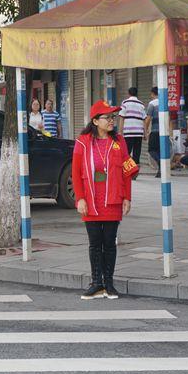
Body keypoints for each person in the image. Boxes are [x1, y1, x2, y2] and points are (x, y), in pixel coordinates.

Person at [72, 100, 138, 300]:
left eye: (113, 117)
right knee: (95, 243)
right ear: (95, 121)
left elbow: (127, 171)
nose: (111, 121)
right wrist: (80, 199)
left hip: (113, 199)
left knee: (109, 243)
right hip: (91, 200)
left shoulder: (119, 142)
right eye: (107, 117)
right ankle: (96, 284)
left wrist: (127, 197)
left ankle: (108, 283)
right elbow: (75, 173)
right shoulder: (82, 142)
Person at [118, 87, 145, 177]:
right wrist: (145, 133)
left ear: (128, 93)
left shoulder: (125, 103)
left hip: (128, 132)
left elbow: (122, 117)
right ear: (137, 94)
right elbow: (144, 119)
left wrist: (120, 132)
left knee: (126, 152)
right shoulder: (141, 104)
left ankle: (127, 171)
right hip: (139, 132)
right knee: (137, 153)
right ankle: (135, 173)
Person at [144, 86, 161, 178]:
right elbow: (169, 119)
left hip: (155, 131)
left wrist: (145, 130)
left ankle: (160, 163)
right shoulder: (165, 102)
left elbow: (148, 119)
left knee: (151, 150)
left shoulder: (152, 103)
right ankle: (160, 170)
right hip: (164, 132)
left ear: (153, 93)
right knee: (160, 150)